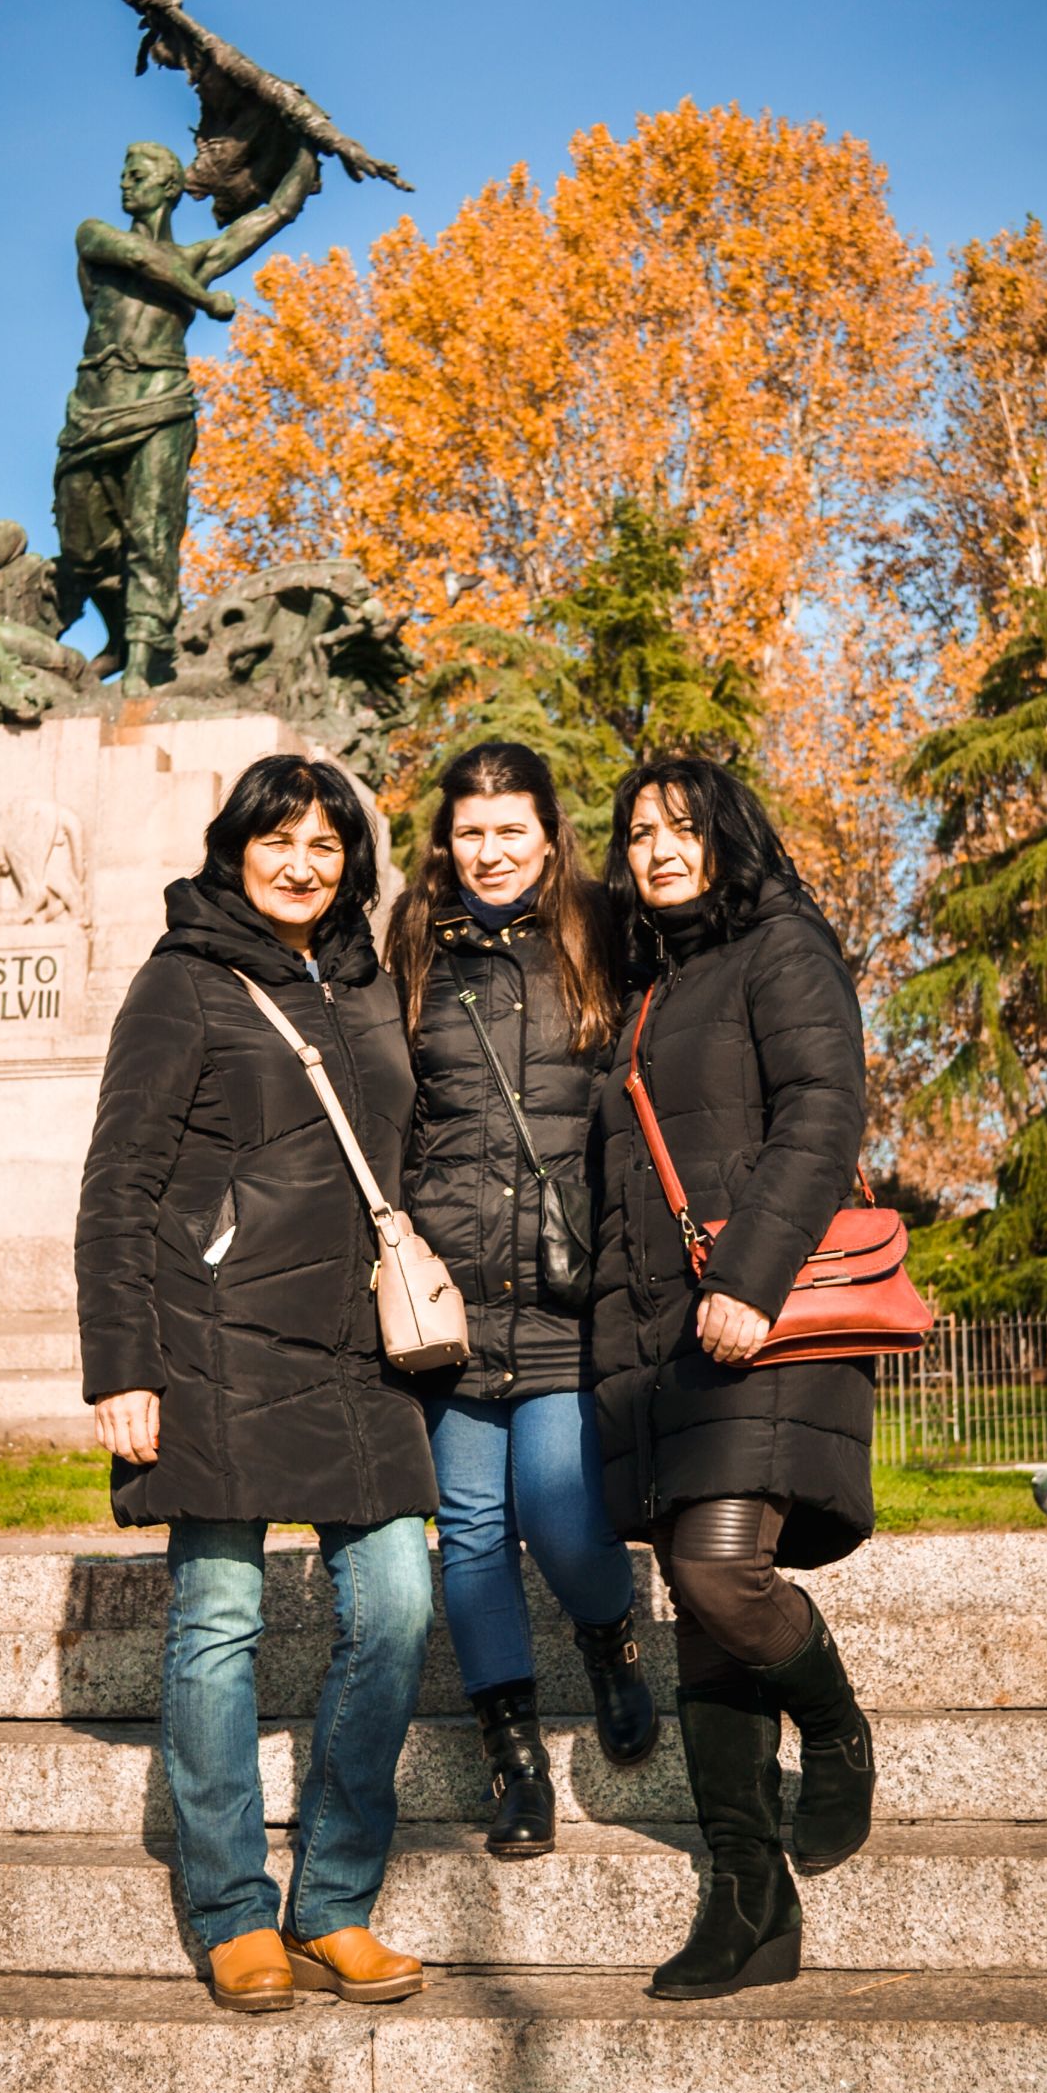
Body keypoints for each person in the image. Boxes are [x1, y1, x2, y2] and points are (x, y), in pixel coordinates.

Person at [75, 753, 435, 2014]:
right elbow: (117, 1182)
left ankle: (330, 1899)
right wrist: (120, 1364)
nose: (301, 863)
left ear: (351, 864)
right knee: (217, 1619)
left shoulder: (368, 982)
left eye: (326, 845)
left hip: (357, 1348)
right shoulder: (181, 981)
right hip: (213, 1337)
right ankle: (233, 1909)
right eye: (278, 839)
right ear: (234, 847)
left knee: (397, 1605)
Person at [592, 757, 875, 2000]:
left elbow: (822, 1111)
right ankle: (747, 1901)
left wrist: (750, 1276)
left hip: (761, 1315)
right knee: (700, 1615)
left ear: (727, 835)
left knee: (717, 1570)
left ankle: (834, 1722)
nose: (657, 847)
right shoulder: (645, 984)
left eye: (681, 826)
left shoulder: (781, 946)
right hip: (659, 1342)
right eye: (636, 831)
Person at [385, 741, 658, 1859]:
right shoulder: (412, 940)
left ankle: (610, 1637)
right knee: (471, 1531)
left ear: (548, 835)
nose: (489, 851)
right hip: (452, 1293)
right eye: (470, 831)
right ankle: (516, 1761)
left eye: (510, 830)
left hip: (562, 1287)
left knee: (554, 1503)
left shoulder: (603, 931)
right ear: (443, 841)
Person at [53, 138, 317, 692]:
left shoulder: (195, 256)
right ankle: (121, 639)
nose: (125, 182)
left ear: (169, 186)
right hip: (94, 408)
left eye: (138, 175)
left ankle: (144, 655)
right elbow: (141, 259)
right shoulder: (94, 236)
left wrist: (305, 152)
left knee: (153, 529)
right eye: (125, 174)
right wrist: (205, 299)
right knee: (82, 547)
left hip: (164, 401)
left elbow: (273, 215)